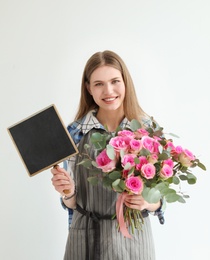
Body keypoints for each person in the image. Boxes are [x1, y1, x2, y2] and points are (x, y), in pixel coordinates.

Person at [51, 50, 164, 260]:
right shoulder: (75, 133)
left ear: (125, 83)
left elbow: (160, 198)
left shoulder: (148, 131)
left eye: (114, 81)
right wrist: (66, 191)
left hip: (134, 239)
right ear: (88, 88)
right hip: (85, 239)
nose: (108, 90)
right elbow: (72, 204)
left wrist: (147, 203)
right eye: (99, 84)